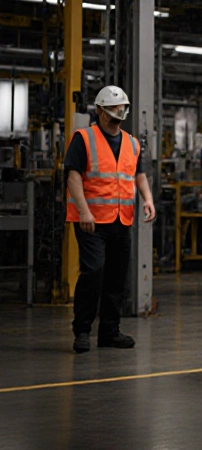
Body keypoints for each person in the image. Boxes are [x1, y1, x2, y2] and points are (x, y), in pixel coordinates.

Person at [64, 86, 157, 353]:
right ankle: (82, 330)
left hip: (121, 219)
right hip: (91, 220)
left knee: (117, 276)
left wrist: (147, 199)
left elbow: (138, 175)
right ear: (100, 111)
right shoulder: (83, 138)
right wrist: (83, 211)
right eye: (115, 109)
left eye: (122, 109)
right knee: (94, 272)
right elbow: (73, 176)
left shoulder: (131, 142)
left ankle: (109, 331)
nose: (119, 113)